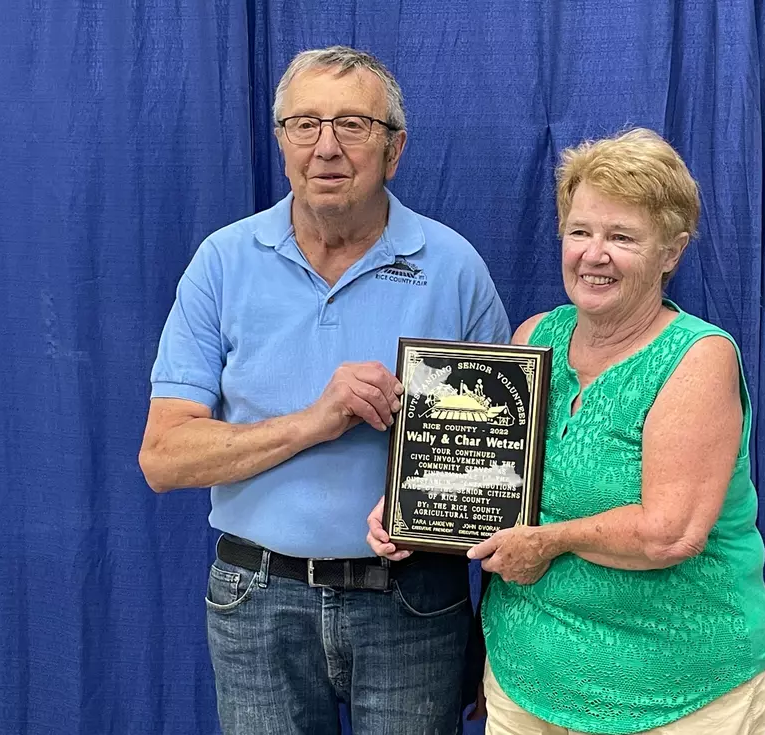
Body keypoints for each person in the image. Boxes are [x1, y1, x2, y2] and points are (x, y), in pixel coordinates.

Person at [138, 45, 510, 735]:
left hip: (415, 605)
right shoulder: (222, 263)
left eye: (354, 125)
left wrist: (497, 642)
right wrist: (317, 419)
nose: (327, 147)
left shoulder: (455, 268)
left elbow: (501, 471)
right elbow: (164, 456)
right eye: (304, 124)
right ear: (281, 143)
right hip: (257, 601)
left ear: (394, 149)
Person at [372, 128, 765, 734]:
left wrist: (548, 541)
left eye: (622, 237)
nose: (594, 254)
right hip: (526, 678)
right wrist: (415, 505)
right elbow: (487, 472)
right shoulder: (537, 335)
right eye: (580, 231)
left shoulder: (698, 358)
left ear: (672, 252)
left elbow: (669, 535)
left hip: (677, 690)